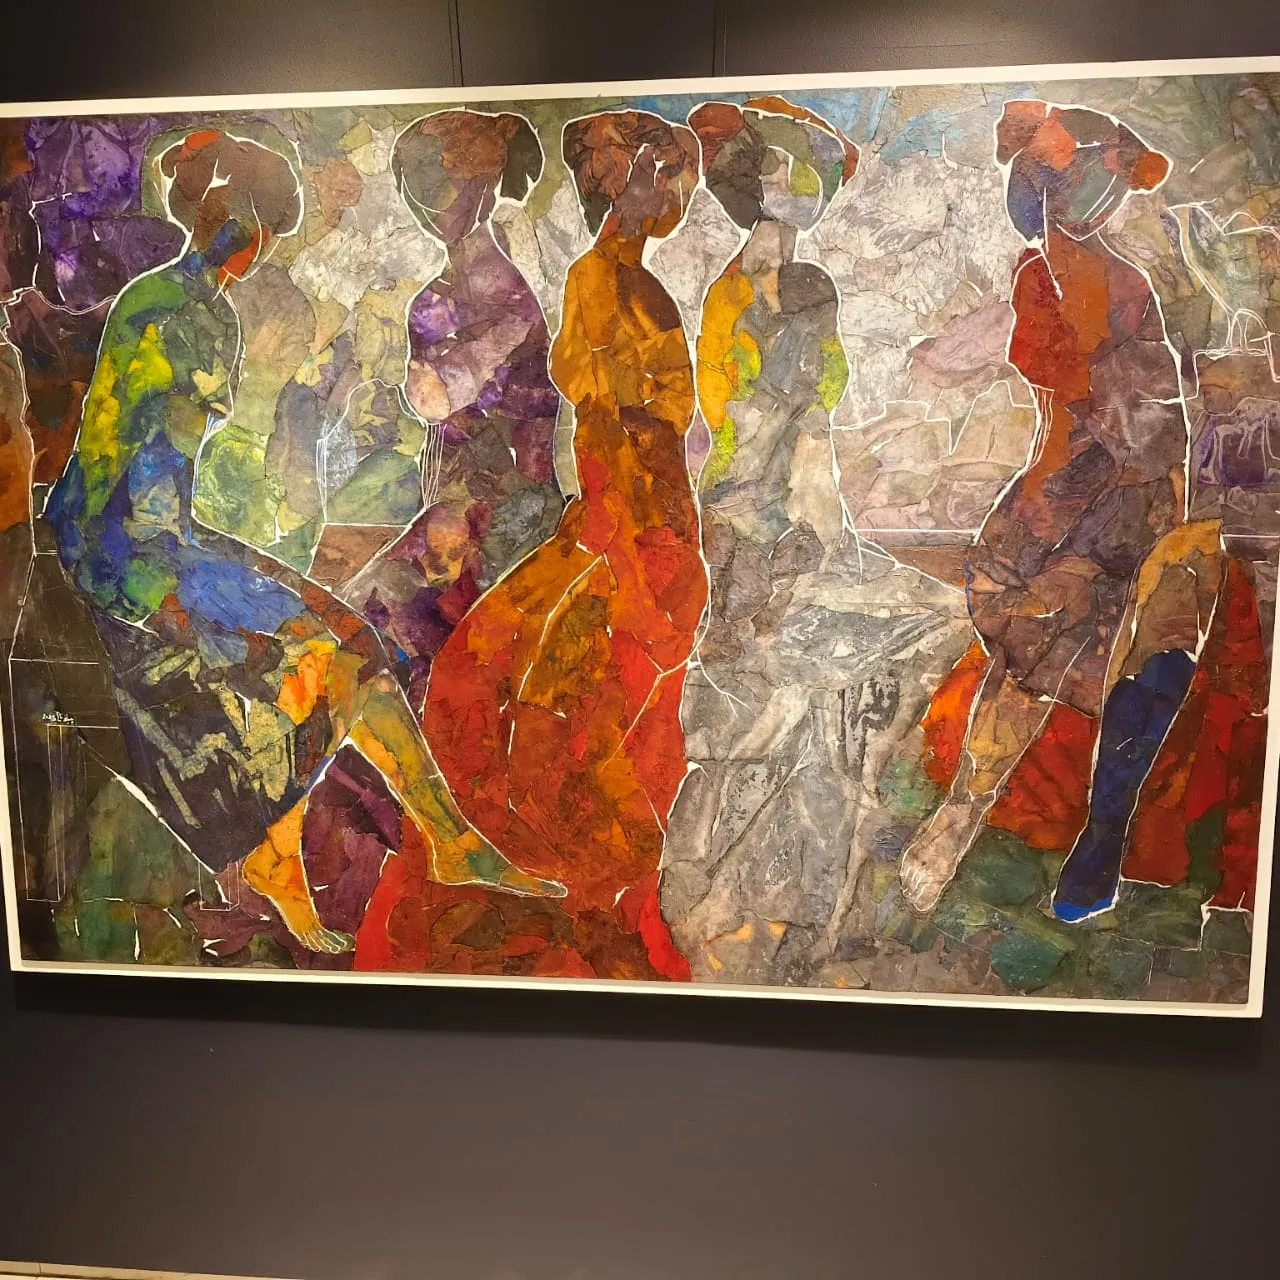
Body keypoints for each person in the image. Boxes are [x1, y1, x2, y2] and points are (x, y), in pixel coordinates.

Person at [47, 129, 562, 955]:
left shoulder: (204, 309)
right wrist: (155, 598)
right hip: (123, 554)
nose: (256, 243)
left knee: (359, 646)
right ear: (234, 226)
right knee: (320, 662)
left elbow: (167, 480)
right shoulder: (168, 313)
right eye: (256, 226)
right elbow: (103, 479)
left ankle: (451, 842)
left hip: (169, 538)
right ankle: (279, 859)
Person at [420, 111, 703, 979]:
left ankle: (603, 899)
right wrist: (605, 536)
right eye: (657, 174)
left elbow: (654, 433)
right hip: (620, 523)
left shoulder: (635, 288)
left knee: (572, 720)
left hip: (646, 525)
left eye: (669, 175)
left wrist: (624, 542)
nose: (672, 193)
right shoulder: (597, 280)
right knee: (488, 686)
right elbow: (609, 424)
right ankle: (571, 891)